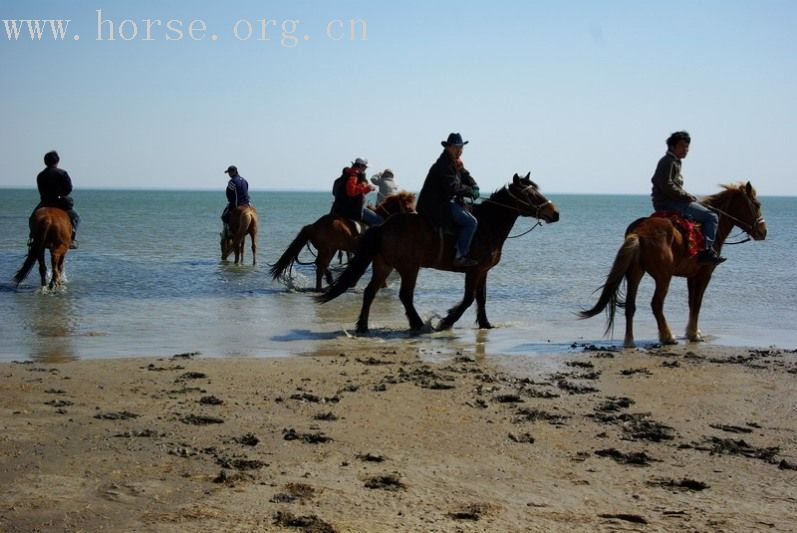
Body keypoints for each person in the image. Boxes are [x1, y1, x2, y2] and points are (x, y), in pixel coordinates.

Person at [650, 131, 725, 265]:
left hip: (670, 201)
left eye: (687, 147)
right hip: (670, 203)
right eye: (682, 146)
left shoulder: (674, 161)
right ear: (672, 147)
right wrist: (687, 196)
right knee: (712, 216)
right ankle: (706, 251)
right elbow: (667, 186)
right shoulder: (668, 161)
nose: (686, 150)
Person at [417, 133, 480, 267]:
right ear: (448, 147)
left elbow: (465, 175)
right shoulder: (444, 164)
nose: (460, 150)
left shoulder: (455, 162)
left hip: (445, 202)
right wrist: (470, 191)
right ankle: (460, 256)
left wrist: (474, 185)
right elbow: (453, 188)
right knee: (471, 222)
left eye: (462, 147)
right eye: (457, 147)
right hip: (435, 205)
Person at [31, 150, 80, 249]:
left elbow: (41, 189)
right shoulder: (62, 173)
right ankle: (72, 238)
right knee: (76, 217)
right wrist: (61, 194)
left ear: (45, 162)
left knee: (32, 218)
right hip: (59, 202)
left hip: (45, 202)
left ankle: (32, 237)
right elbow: (69, 188)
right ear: (57, 161)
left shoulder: (41, 175)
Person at [330, 157, 384, 226]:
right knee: (380, 221)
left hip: (339, 207)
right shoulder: (354, 175)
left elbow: (356, 193)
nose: (365, 169)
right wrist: (365, 186)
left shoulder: (346, 174)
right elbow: (351, 192)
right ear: (361, 166)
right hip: (352, 209)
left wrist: (368, 189)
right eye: (365, 167)